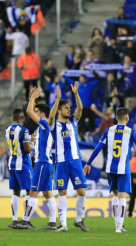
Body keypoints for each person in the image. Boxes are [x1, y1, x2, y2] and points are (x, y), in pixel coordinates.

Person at [84, 107, 136, 232]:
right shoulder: (131, 132)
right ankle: (119, 227)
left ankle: (117, 225)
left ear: (116, 118)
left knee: (115, 195)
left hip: (110, 168)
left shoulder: (108, 130)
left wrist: (88, 162)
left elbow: (98, 148)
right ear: (127, 118)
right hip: (123, 169)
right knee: (122, 197)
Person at [48, 81, 89, 232]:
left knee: (82, 192)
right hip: (61, 162)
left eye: (68, 107)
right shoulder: (53, 126)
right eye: (66, 108)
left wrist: (76, 93)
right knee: (62, 192)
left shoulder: (73, 122)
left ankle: (78, 220)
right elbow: (51, 117)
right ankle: (63, 224)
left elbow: (80, 108)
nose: (69, 109)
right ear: (60, 110)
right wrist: (58, 100)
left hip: (75, 161)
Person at [19, 87, 57, 230]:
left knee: (33, 192)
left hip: (42, 163)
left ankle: (25, 221)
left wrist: (33, 98)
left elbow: (28, 111)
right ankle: (52, 223)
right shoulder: (41, 128)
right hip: (45, 163)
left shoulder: (45, 124)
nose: (33, 115)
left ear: (42, 114)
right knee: (48, 194)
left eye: (36, 113)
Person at [5, 109, 33, 229]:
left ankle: (14, 220)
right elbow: (27, 150)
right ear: (22, 117)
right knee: (29, 191)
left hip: (12, 163)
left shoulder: (7, 129)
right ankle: (25, 221)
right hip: (23, 164)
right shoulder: (24, 130)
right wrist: (32, 143)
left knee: (16, 192)